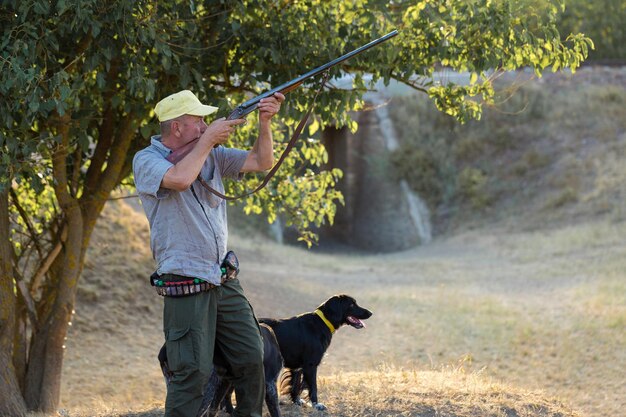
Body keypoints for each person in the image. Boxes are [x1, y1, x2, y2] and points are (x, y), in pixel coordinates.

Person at [133, 89, 285, 417]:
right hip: (184, 279)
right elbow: (181, 178)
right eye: (198, 120)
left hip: (221, 276)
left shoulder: (211, 154)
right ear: (176, 127)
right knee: (192, 373)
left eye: (206, 121)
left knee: (251, 356)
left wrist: (264, 121)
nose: (204, 125)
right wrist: (209, 140)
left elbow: (262, 161)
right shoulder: (147, 161)